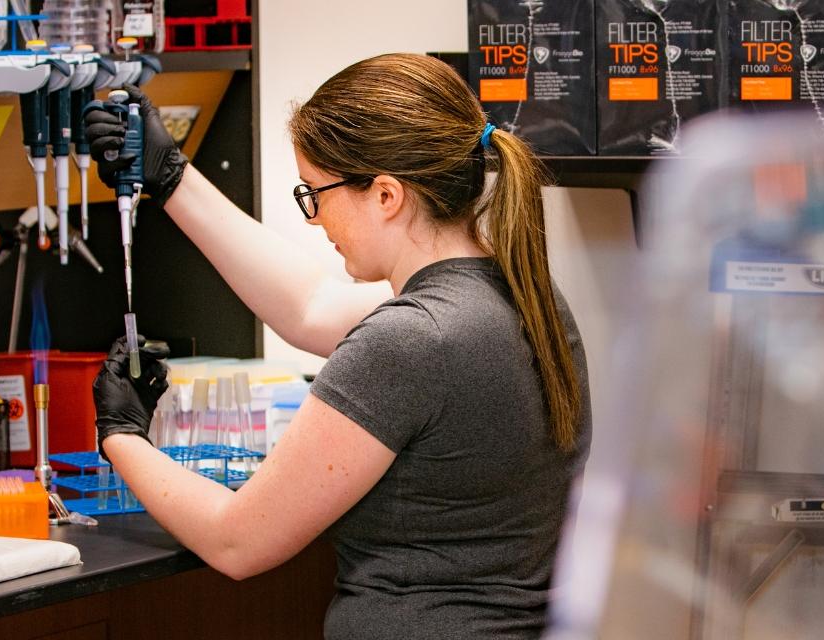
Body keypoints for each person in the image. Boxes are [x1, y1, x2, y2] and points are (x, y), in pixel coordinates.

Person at [84, 53, 591, 638]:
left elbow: (236, 541)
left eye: (315, 193)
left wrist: (121, 435)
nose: (314, 217)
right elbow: (307, 308)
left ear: (385, 195)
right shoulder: (525, 296)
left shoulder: (410, 340)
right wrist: (171, 176)